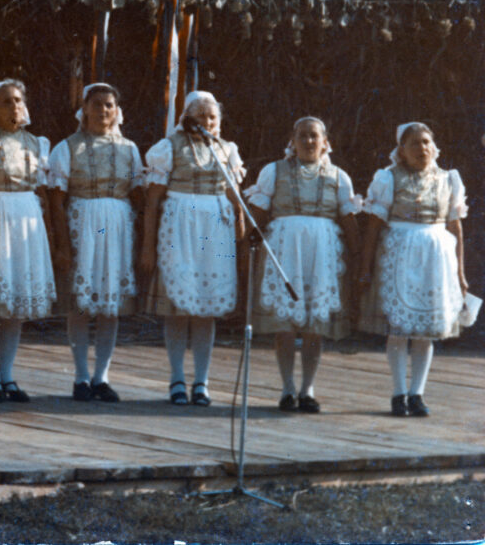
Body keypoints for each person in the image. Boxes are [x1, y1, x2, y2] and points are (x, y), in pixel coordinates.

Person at [244, 117, 361, 413]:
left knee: (314, 326)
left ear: (324, 142)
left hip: (322, 253)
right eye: (303, 136)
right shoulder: (274, 171)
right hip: (285, 249)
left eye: (314, 136)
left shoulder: (339, 177)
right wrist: (246, 245)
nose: (309, 141)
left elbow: (348, 220)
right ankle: (287, 388)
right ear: (293, 141)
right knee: (285, 324)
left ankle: (307, 389)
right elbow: (257, 214)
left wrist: (359, 256)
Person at [142, 90, 245, 407]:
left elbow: (234, 195)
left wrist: (240, 223)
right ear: (187, 117)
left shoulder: (226, 149)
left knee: (206, 308)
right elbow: (153, 200)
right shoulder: (169, 147)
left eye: (212, 116)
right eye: (201, 115)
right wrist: (147, 247)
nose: (207, 121)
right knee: (178, 309)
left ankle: (201, 381)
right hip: (180, 227)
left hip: (215, 230)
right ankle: (176, 379)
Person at [359, 122, 467, 417]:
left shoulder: (448, 179)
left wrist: (460, 273)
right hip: (399, 256)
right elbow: (374, 226)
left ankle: (417, 393)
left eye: (426, 142)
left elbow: (455, 227)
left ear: (434, 146)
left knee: (425, 330)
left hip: (436, 259)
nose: (422, 148)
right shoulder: (388, 178)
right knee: (399, 329)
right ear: (402, 150)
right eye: (415, 143)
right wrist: (365, 268)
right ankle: (398, 393)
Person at [49, 82, 144, 403]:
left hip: (117, 228)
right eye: (97, 104)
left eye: (109, 105)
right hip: (83, 225)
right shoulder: (68, 147)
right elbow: (56, 200)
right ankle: (80, 376)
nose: (103, 110)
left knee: (109, 305)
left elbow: (138, 194)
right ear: (85, 109)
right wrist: (63, 245)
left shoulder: (129, 149)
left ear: (116, 111)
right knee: (81, 303)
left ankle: (101, 376)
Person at [0, 79, 55, 402]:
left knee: (16, 303)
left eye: (18, 100)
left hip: (26, 219)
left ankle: (7, 374)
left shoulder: (36, 143)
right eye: (6, 102)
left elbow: (42, 191)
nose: (14, 107)